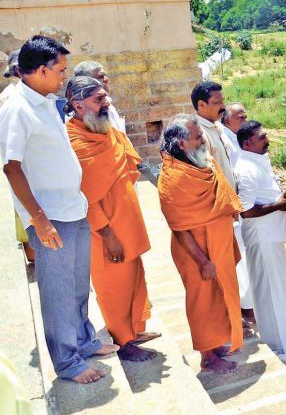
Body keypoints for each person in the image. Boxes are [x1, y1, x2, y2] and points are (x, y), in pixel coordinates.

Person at [0, 36, 117, 384]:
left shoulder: (43, 100)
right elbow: (11, 166)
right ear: (38, 70)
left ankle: (83, 341)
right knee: (58, 290)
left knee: (79, 284)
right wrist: (38, 219)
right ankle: (67, 362)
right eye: (60, 70)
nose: (64, 77)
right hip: (50, 216)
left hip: (72, 208)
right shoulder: (15, 107)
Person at [65, 76, 160, 362]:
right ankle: (124, 341)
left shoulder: (108, 132)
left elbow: (130, 166)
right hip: (104, 233)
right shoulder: (74, 143)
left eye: (105, 97)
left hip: (126, 224)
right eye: (98, 99)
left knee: (133, 279)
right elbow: (84, 197)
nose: (106, 103)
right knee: (113, 288)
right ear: (77, 105)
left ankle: (134, 329)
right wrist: (108, 235)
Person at [157, 114, 243, 374]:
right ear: (182, 144)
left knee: (219, 296)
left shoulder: (201, 161)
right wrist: (203, 261)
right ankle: (207, 356)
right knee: (203, 301)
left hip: (218, 243)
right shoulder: (172, 178)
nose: (203, 139)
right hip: (195, 252)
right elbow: (180, 228)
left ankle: (217, 343)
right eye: (197, 137)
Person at [235, 121, 286, 365]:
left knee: (275, 293)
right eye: (262, 137)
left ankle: (283, 344)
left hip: (270, 238)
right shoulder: (247, 169)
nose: (267, 139)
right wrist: (278, 206)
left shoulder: (258, 160)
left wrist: (278, 200)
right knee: (275, 295)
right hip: (263, 240)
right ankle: (285, 349)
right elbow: (245, 210)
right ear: (248, 142)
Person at [190, 82, 254, 336]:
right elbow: (207, 175)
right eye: (216, 103)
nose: (222, 107)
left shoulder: (216, 128)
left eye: (222, 101)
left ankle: (241, 311)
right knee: (226, 268)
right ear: (201, 105)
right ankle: (231, 318)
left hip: (230, 207)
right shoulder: (199, 133)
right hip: (219, 212)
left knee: (237, 265)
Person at [220, 102, 255, 326]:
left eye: (245, 116)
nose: (244, 119)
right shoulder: (224, 138)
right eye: (239, 117)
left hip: (243, 204)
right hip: (235, 208)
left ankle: (249, 304)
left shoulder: (238, 137)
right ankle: (246, 307)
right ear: (227, 120)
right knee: (241, 261)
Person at [1, 50, 35, 269]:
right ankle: (33, 255)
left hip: (24, 162)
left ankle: (33, 254)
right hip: (21, 162)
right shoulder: (11, 98)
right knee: (27, 209)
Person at [73, 60, 126, 134]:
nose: (106, 79)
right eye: (101, 77)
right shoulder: (80, 113)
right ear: (85, 81)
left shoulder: (107, 104)